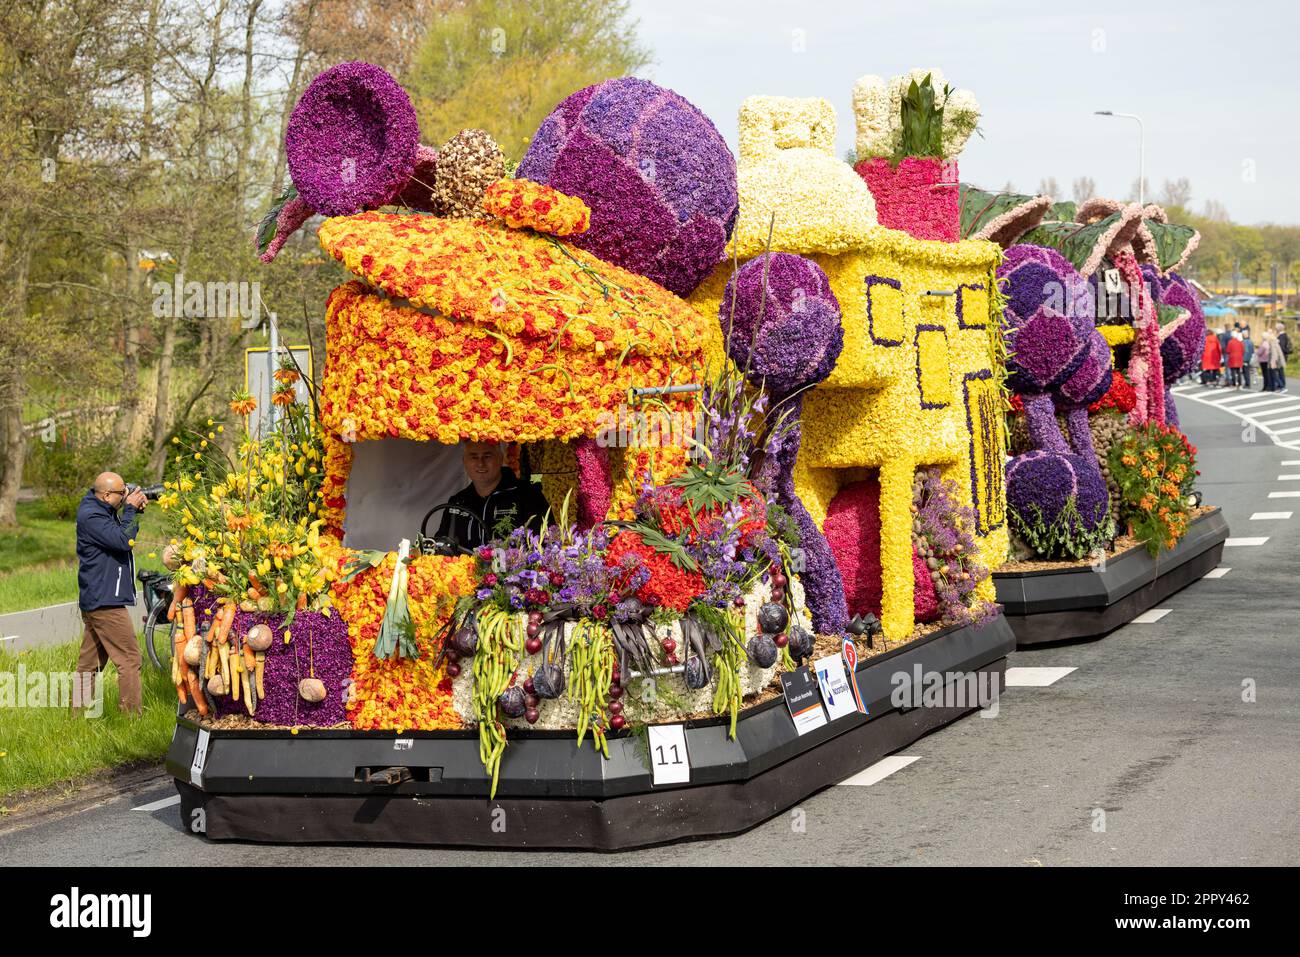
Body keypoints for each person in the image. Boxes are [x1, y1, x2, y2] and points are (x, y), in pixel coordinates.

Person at [75, 472, 148, 716]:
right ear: (106, 495)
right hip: (106, 601)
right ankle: (131, 718)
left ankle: (78, 717)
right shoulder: (91, 516)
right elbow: (123, 541)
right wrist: (129, 511)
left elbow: (119, 535)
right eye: (121, 492)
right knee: (129, 659)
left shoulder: (100, 509)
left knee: (89, 664)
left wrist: (133, 511)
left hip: (98, 597)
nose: (125, 494)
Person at [435, 441, 549, 549]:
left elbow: (545, 546)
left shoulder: (528, 496)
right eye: (474, 457)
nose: (480, 463)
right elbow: (441, 547)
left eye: (487, 456)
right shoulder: (457, 502)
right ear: (464, 461)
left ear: (500, 458)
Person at [1277, 323, 1292, 393]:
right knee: (1280, 371)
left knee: (1280, 371)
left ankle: (1282, 386)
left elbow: (1282, 347)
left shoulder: (1281, 336)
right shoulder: (1285, 335)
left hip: (1281, 356)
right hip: (1283, 356)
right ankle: (1281, 385)